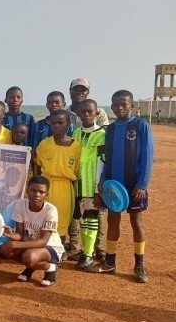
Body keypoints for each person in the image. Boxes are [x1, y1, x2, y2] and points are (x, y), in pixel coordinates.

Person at [91, 90, 153, 283]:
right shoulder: (110, 129)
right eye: (116, 104)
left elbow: (147, 157)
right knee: (113, 222)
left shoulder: (140, 126)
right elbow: (107, 159)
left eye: (123, 104)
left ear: (131, 105)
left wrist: (142, 184)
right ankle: (110, 262)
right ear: (111, 106)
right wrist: (102, 182)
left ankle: (139, 265)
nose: (119, 108)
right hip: (113, 186)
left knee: (136, 223)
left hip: (134, 185)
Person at [0, 175, 64, 287]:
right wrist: (11, 235)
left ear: (46, 194)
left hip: (49, 246)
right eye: (33, 190)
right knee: (5, 250)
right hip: (31, 243)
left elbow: (43, 241)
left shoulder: (51, 210)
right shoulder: (21, 204)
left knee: (29, 257)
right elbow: (20, 234)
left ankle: (50, 268)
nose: (36, 194)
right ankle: (31, 266)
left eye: (41, 192)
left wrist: (14, 244)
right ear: (27, 191)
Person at [35, 109, 81, 250]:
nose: (56, 125)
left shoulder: (76, 146)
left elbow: (77, 171)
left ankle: (59, 248)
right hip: (45, 186)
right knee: (42, 216)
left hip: (64, 187)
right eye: (53, 122)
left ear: (68, 124)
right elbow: (37, 165)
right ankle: (40, 246)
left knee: (61, 218)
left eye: (60, 122)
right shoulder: (44, 144)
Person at [68, 99, 106, 269]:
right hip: (77, 184)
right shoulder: (76, 133)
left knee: (90, 219)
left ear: (97, 113)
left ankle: (89, 254)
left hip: (92, 185)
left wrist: (99, 186)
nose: (86, 114)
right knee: (81, 219)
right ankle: (85, 251)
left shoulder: (101, 135)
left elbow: (102, 162)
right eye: (82, 112)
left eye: (90, 111)